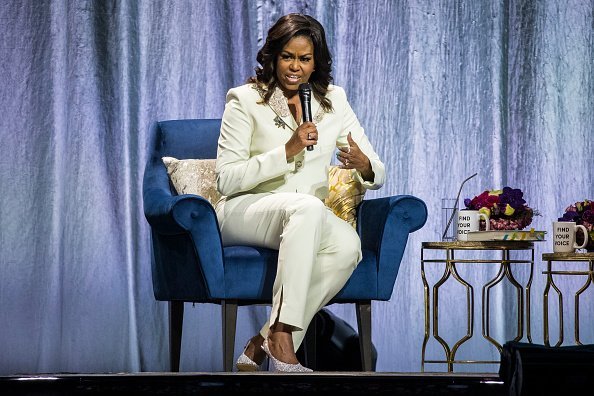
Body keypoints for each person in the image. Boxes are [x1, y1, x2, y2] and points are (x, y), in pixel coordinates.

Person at [214, 13, 385, 372]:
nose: (295, 67)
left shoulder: (333, 100)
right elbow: (226, 180)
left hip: (306, 215)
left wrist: (363, 163)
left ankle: (268, 337)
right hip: (246, 211)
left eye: (304, 59)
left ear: (316, 62)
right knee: (307, 209)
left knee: (347, 246)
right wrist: (286, 151)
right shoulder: (245, 100)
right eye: (287, 56)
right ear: (273, 57)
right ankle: (281, 340)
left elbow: (376, 169)